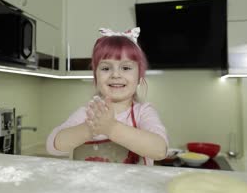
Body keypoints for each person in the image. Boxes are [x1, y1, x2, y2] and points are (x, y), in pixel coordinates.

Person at [46, 27, 168, 165]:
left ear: (139, 78)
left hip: (133, 187)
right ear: (96, 78)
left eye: (126, 68)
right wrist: (90, 128)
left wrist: (111, 128)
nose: (115, 74)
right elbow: (53, 145)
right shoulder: (88, 114)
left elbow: (159, 150)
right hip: (89, 187)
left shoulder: (143, 113)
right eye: (106, 68)